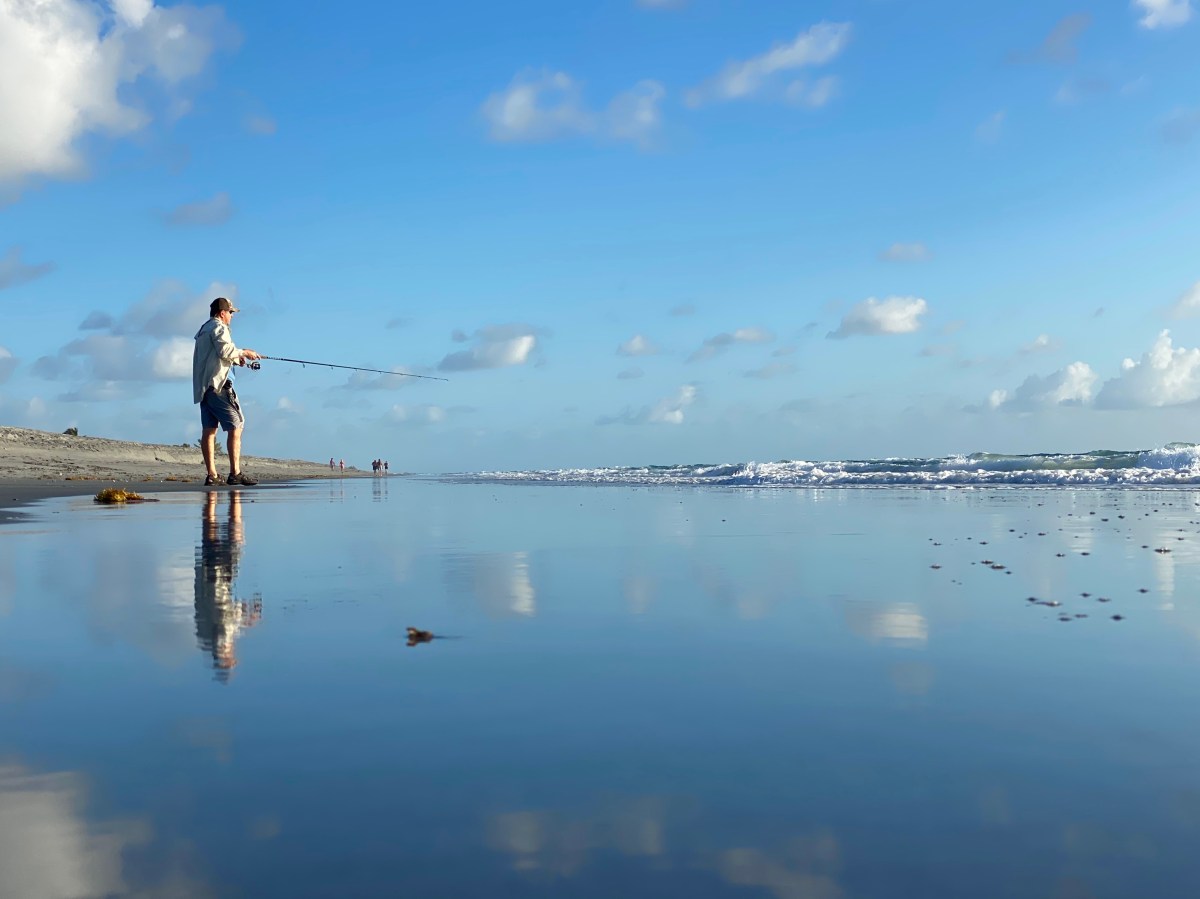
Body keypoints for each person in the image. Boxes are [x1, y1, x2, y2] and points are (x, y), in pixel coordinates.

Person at [193, 297, 262, 486]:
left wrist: (235, 359)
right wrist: (244, 353)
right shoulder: (219, 327)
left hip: (204, 388)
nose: (232, 316)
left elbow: (215, 356)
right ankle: (235, 473)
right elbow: (225, 350)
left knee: (209, 430)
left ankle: (212, 475)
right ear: (222, 313)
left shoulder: (202, 330)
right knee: (237, 426)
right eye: (230, 313)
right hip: (220, 386)